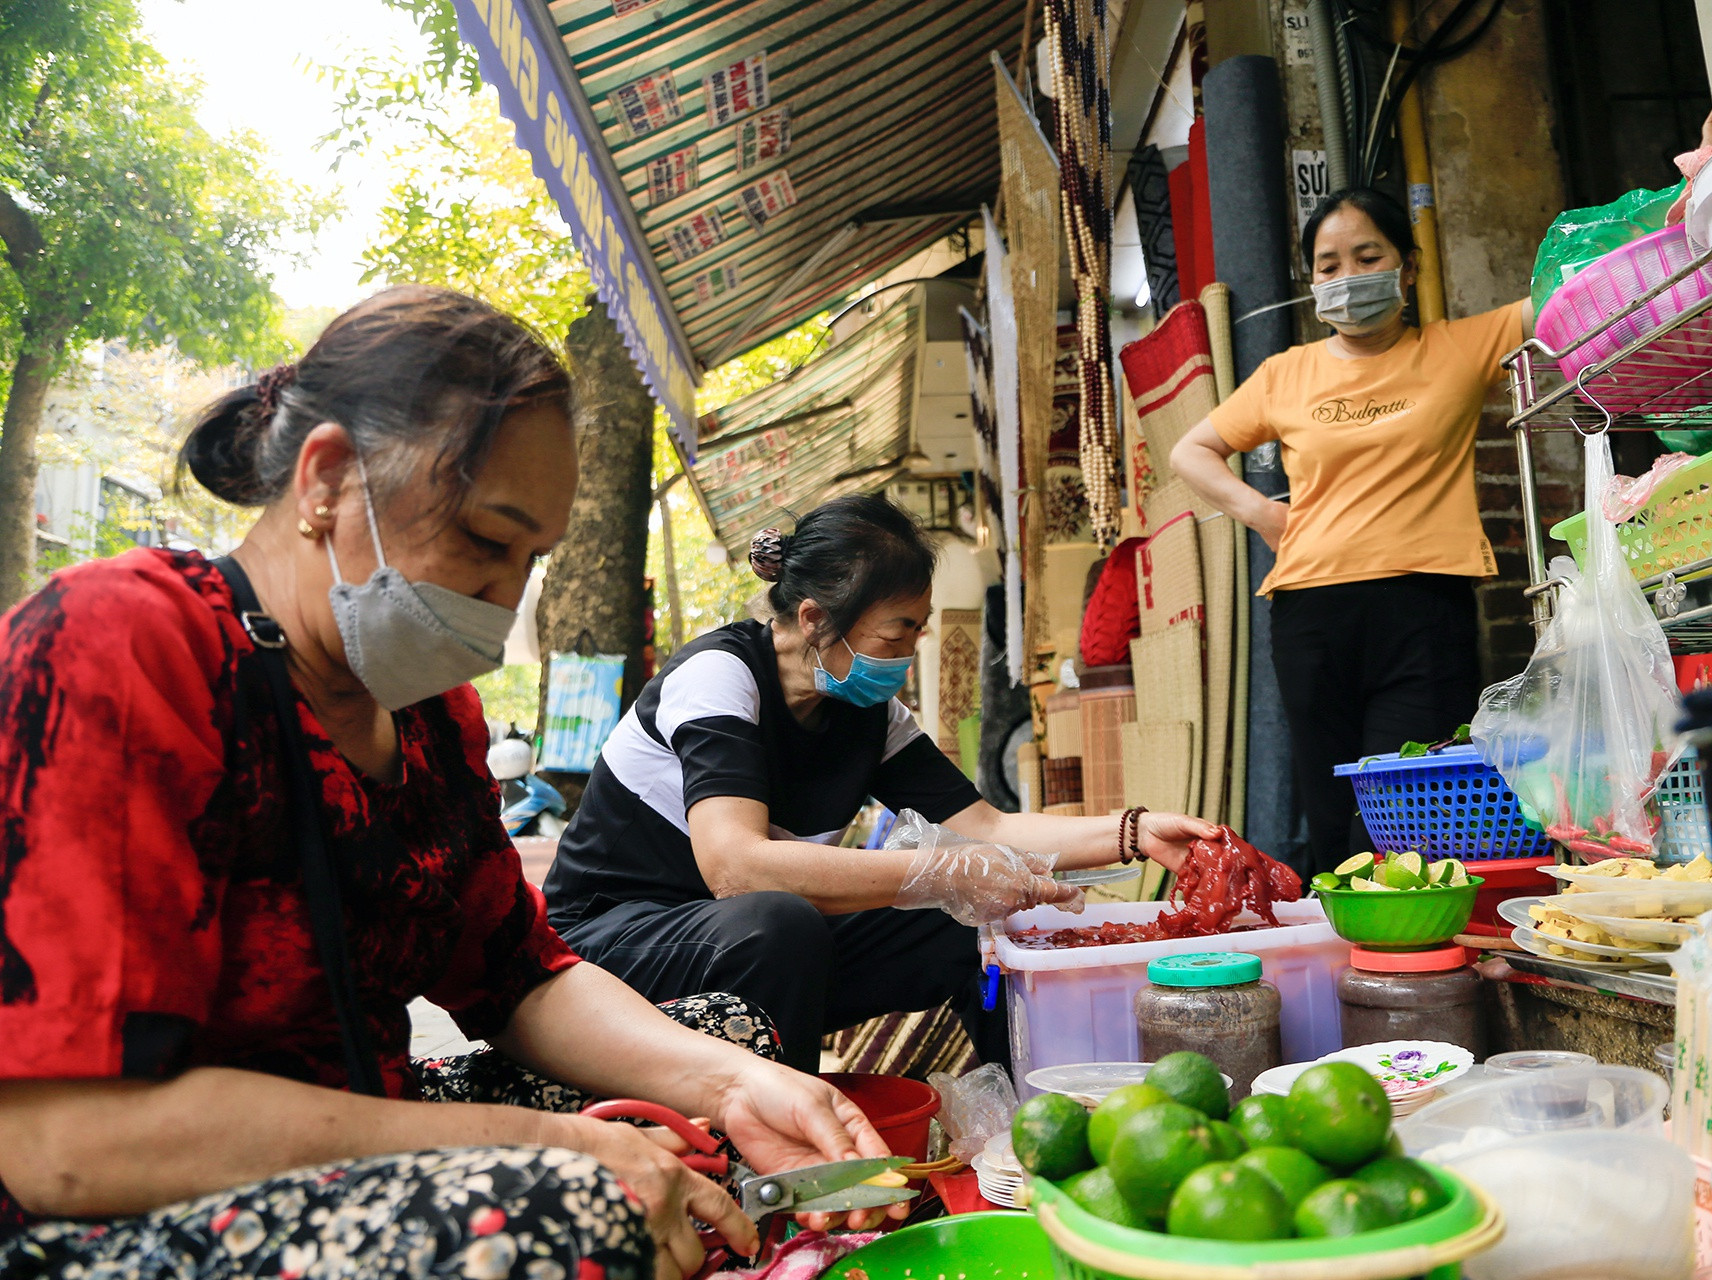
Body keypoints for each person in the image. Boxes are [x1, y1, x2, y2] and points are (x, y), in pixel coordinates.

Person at [0, 287, 897, 1280]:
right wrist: (551, 1146)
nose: (503, 596)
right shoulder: (121, 644)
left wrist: (736, 1083)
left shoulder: (431, 717)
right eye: (482, 539)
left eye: (529, 559)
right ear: (330, 478)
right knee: (571, 1207)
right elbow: (65, 1141)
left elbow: (522, 979)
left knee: (731, 1032)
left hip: (352, 1127)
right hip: (103, 1217)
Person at [543, 494, 1221, 1073]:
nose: (910, 652)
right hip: (614, 945)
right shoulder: (717, 679)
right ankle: (790, 1148)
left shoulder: (866, 712)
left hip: (754, 941)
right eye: (897, 634)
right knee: (783, 920)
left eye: (917, 632)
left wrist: (1133, 832)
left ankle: (1034, 1123)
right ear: (815, 619)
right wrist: (938, 871)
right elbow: (736, 869)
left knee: (958, 925)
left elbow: (986, 827)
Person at [1170, 188, 1535, 876]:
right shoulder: (1286, 374)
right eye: (1328, 265)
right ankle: (1349, 967)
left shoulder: (1459, 347)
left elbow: (1570, 294)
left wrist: (1689, 194)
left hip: (1423, 613)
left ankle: (1417, 962)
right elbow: (1189, 451)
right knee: (1336, 819)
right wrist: (1265, 514)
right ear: (1312, 281)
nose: (1347, 277)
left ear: (1408, 267)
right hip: (1312, 618)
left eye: (1367, 257)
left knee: (1415, 816)